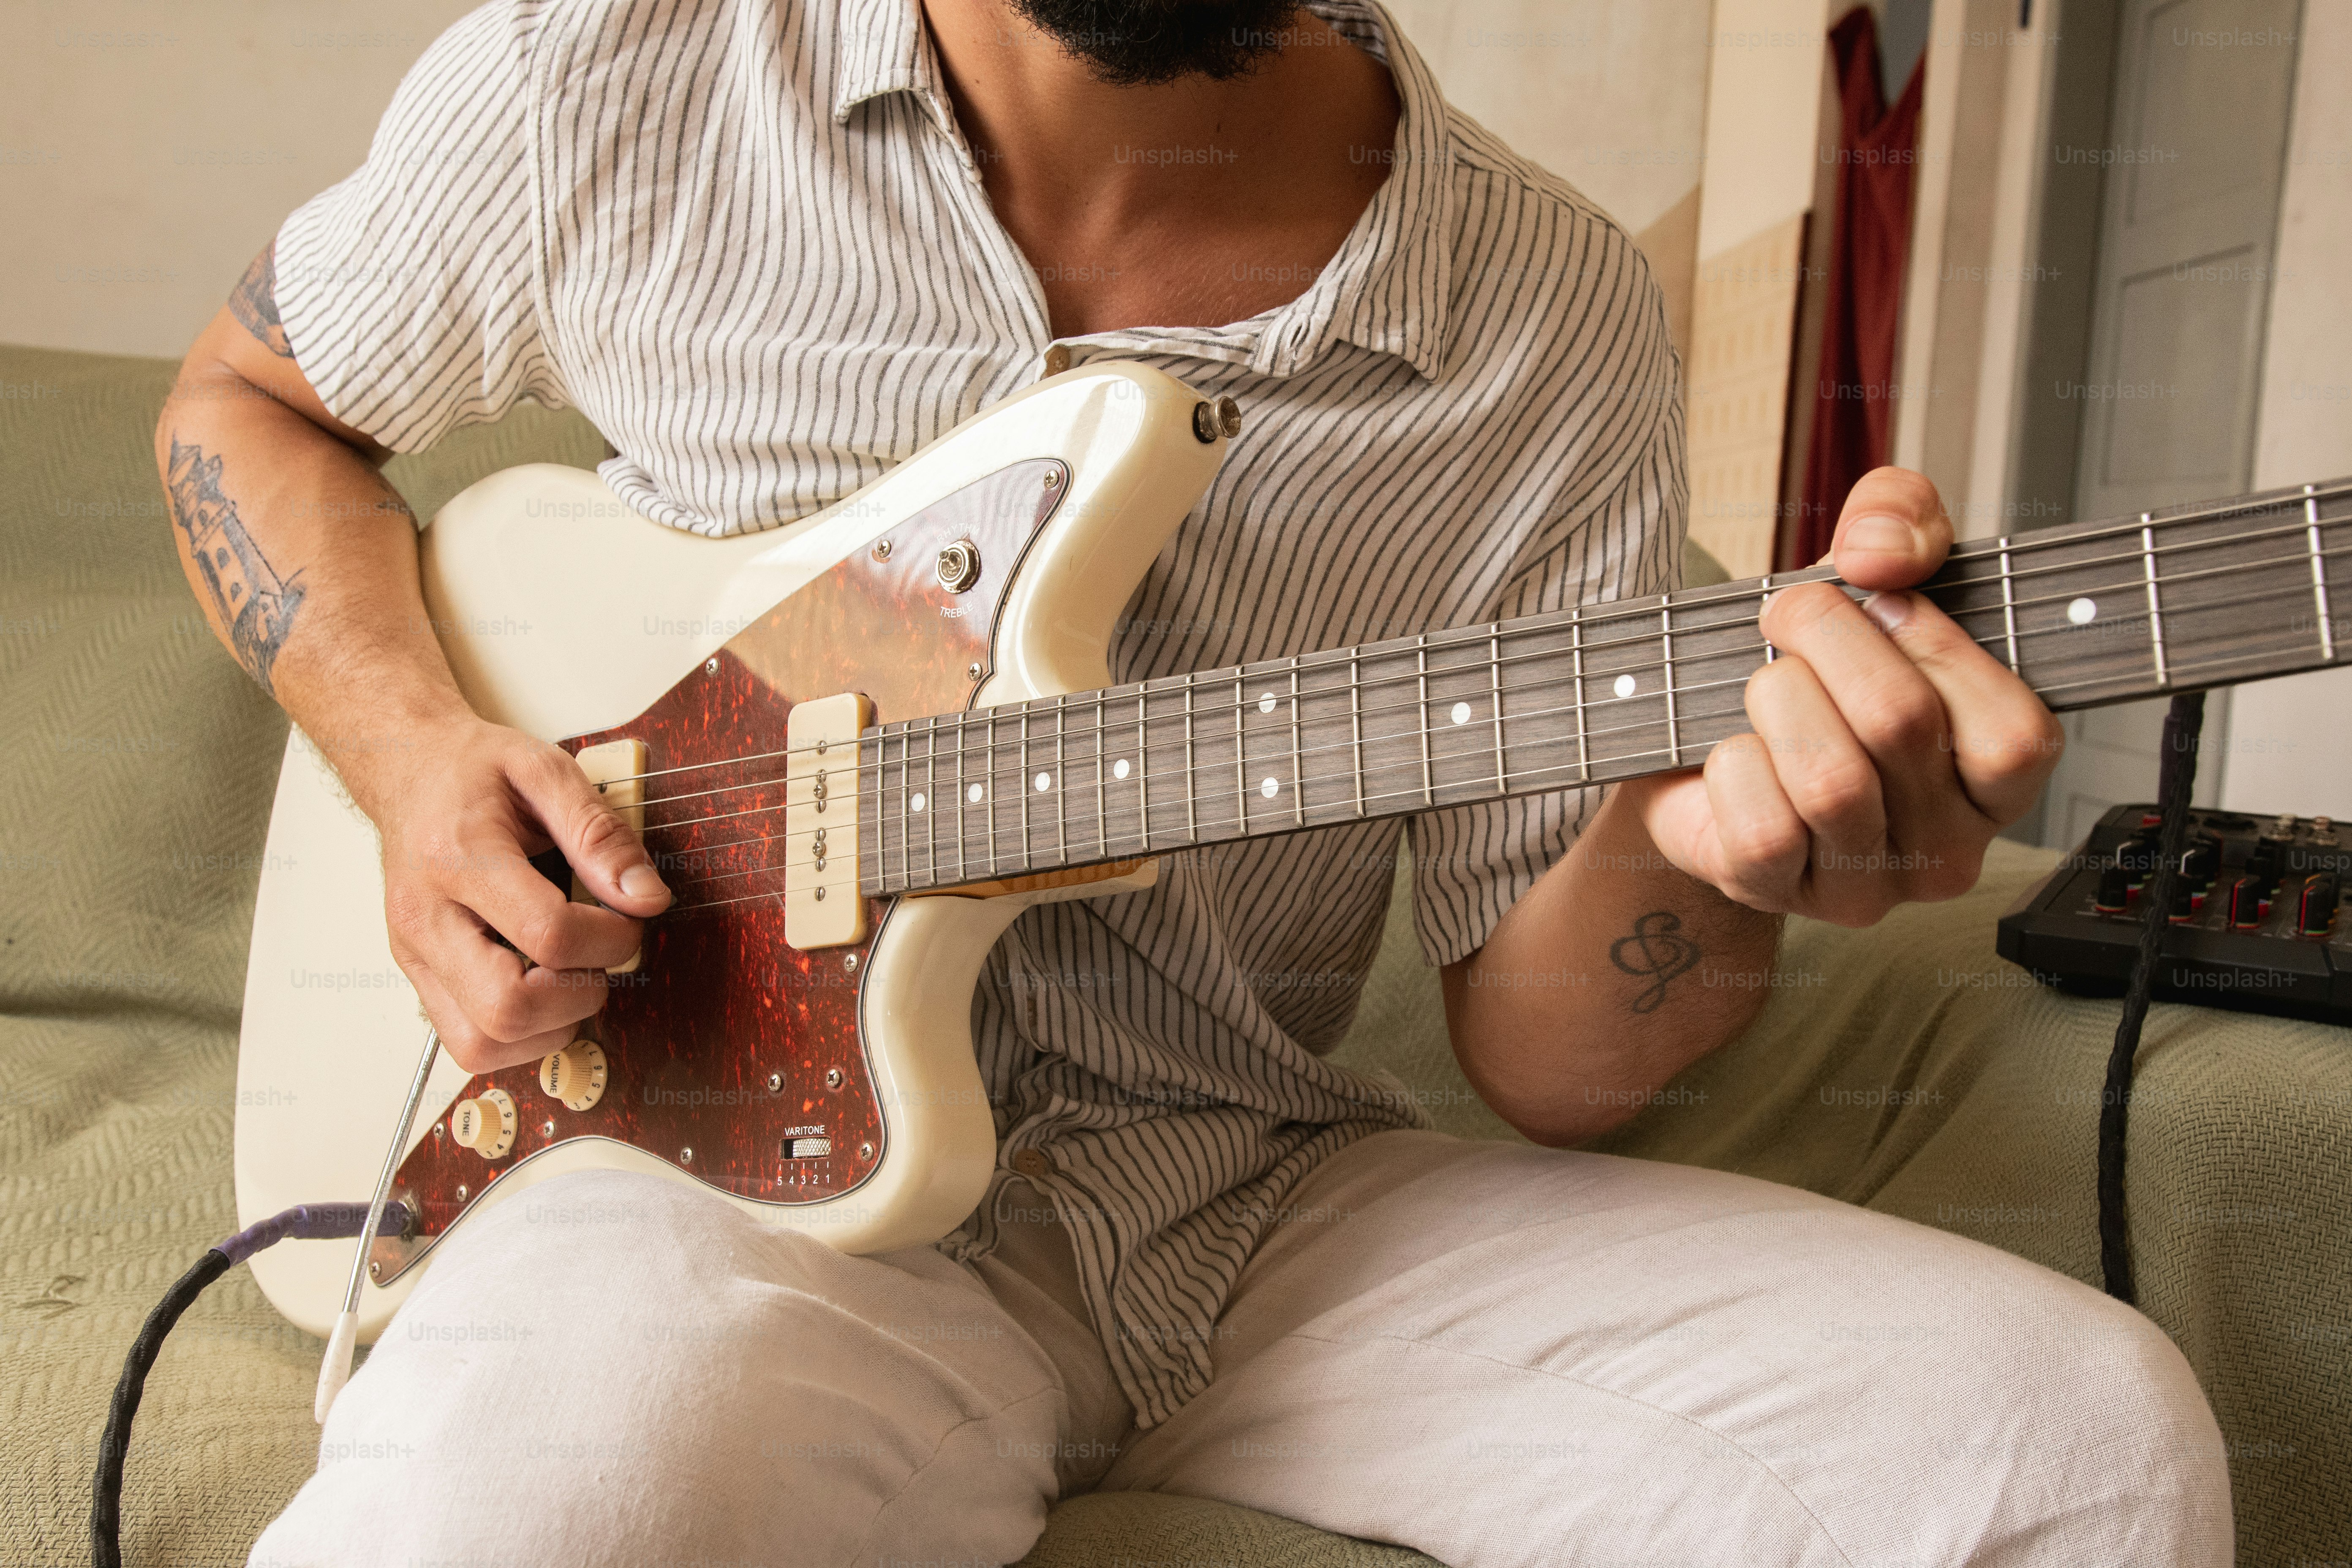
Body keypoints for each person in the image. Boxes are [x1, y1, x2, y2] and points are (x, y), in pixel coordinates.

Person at [160, 1, 2230, 1563]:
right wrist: (416, 760)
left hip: (1249, 1203)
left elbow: (1551, 1054)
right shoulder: (613, 72)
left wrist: (1717, 858)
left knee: (2075, 1442)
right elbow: (243, 406)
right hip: (707, 1185)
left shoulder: (1548, 309)